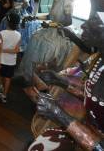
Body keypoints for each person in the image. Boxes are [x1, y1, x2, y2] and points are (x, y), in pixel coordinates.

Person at [28, 12, 104, 151]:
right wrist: (59, 80)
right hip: (87, 132)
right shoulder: (100, 60)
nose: (82, 25)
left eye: (94, 20)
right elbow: (93, 96)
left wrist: (58, 113)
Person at [0, 12, 21, 103]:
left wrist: (3, 50)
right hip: (12, 61)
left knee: (3, 75)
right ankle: (4, 95)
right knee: (8, 78)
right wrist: (7, 50)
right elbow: (16, 50)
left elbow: (0, 48)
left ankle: (2, 89)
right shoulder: (18, 35)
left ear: (7, 22)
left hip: (2, 59)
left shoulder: (2, 33)